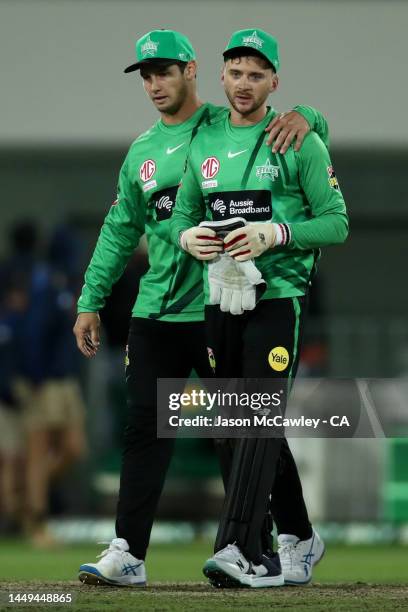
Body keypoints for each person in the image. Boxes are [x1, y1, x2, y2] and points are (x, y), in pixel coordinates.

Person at [73, 28, 331, 587]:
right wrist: (91, 300)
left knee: (244, 431)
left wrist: (308, 113)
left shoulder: (225, 121)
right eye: (145, 74)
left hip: (222, 307)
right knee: (145, 427)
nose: (154, 83)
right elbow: (119, 230)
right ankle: (129, 551)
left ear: (192, 71)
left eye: (163, 71)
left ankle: (273, 542)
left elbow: (290, 125)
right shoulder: (142, 151)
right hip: (156, 311)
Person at [170, 28, 348, 588]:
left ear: (274, 81)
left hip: (278, 298)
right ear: (220, 78)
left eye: (256, 75)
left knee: (255, 420)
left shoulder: (299, 139)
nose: (244, 84)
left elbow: (337, 221)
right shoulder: (204, 137)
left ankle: (242, 546)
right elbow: (183, 213)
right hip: (219, 297)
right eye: (236, 73)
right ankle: (295, 536)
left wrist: (277, 232)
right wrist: (185, 239)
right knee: (234, 425)